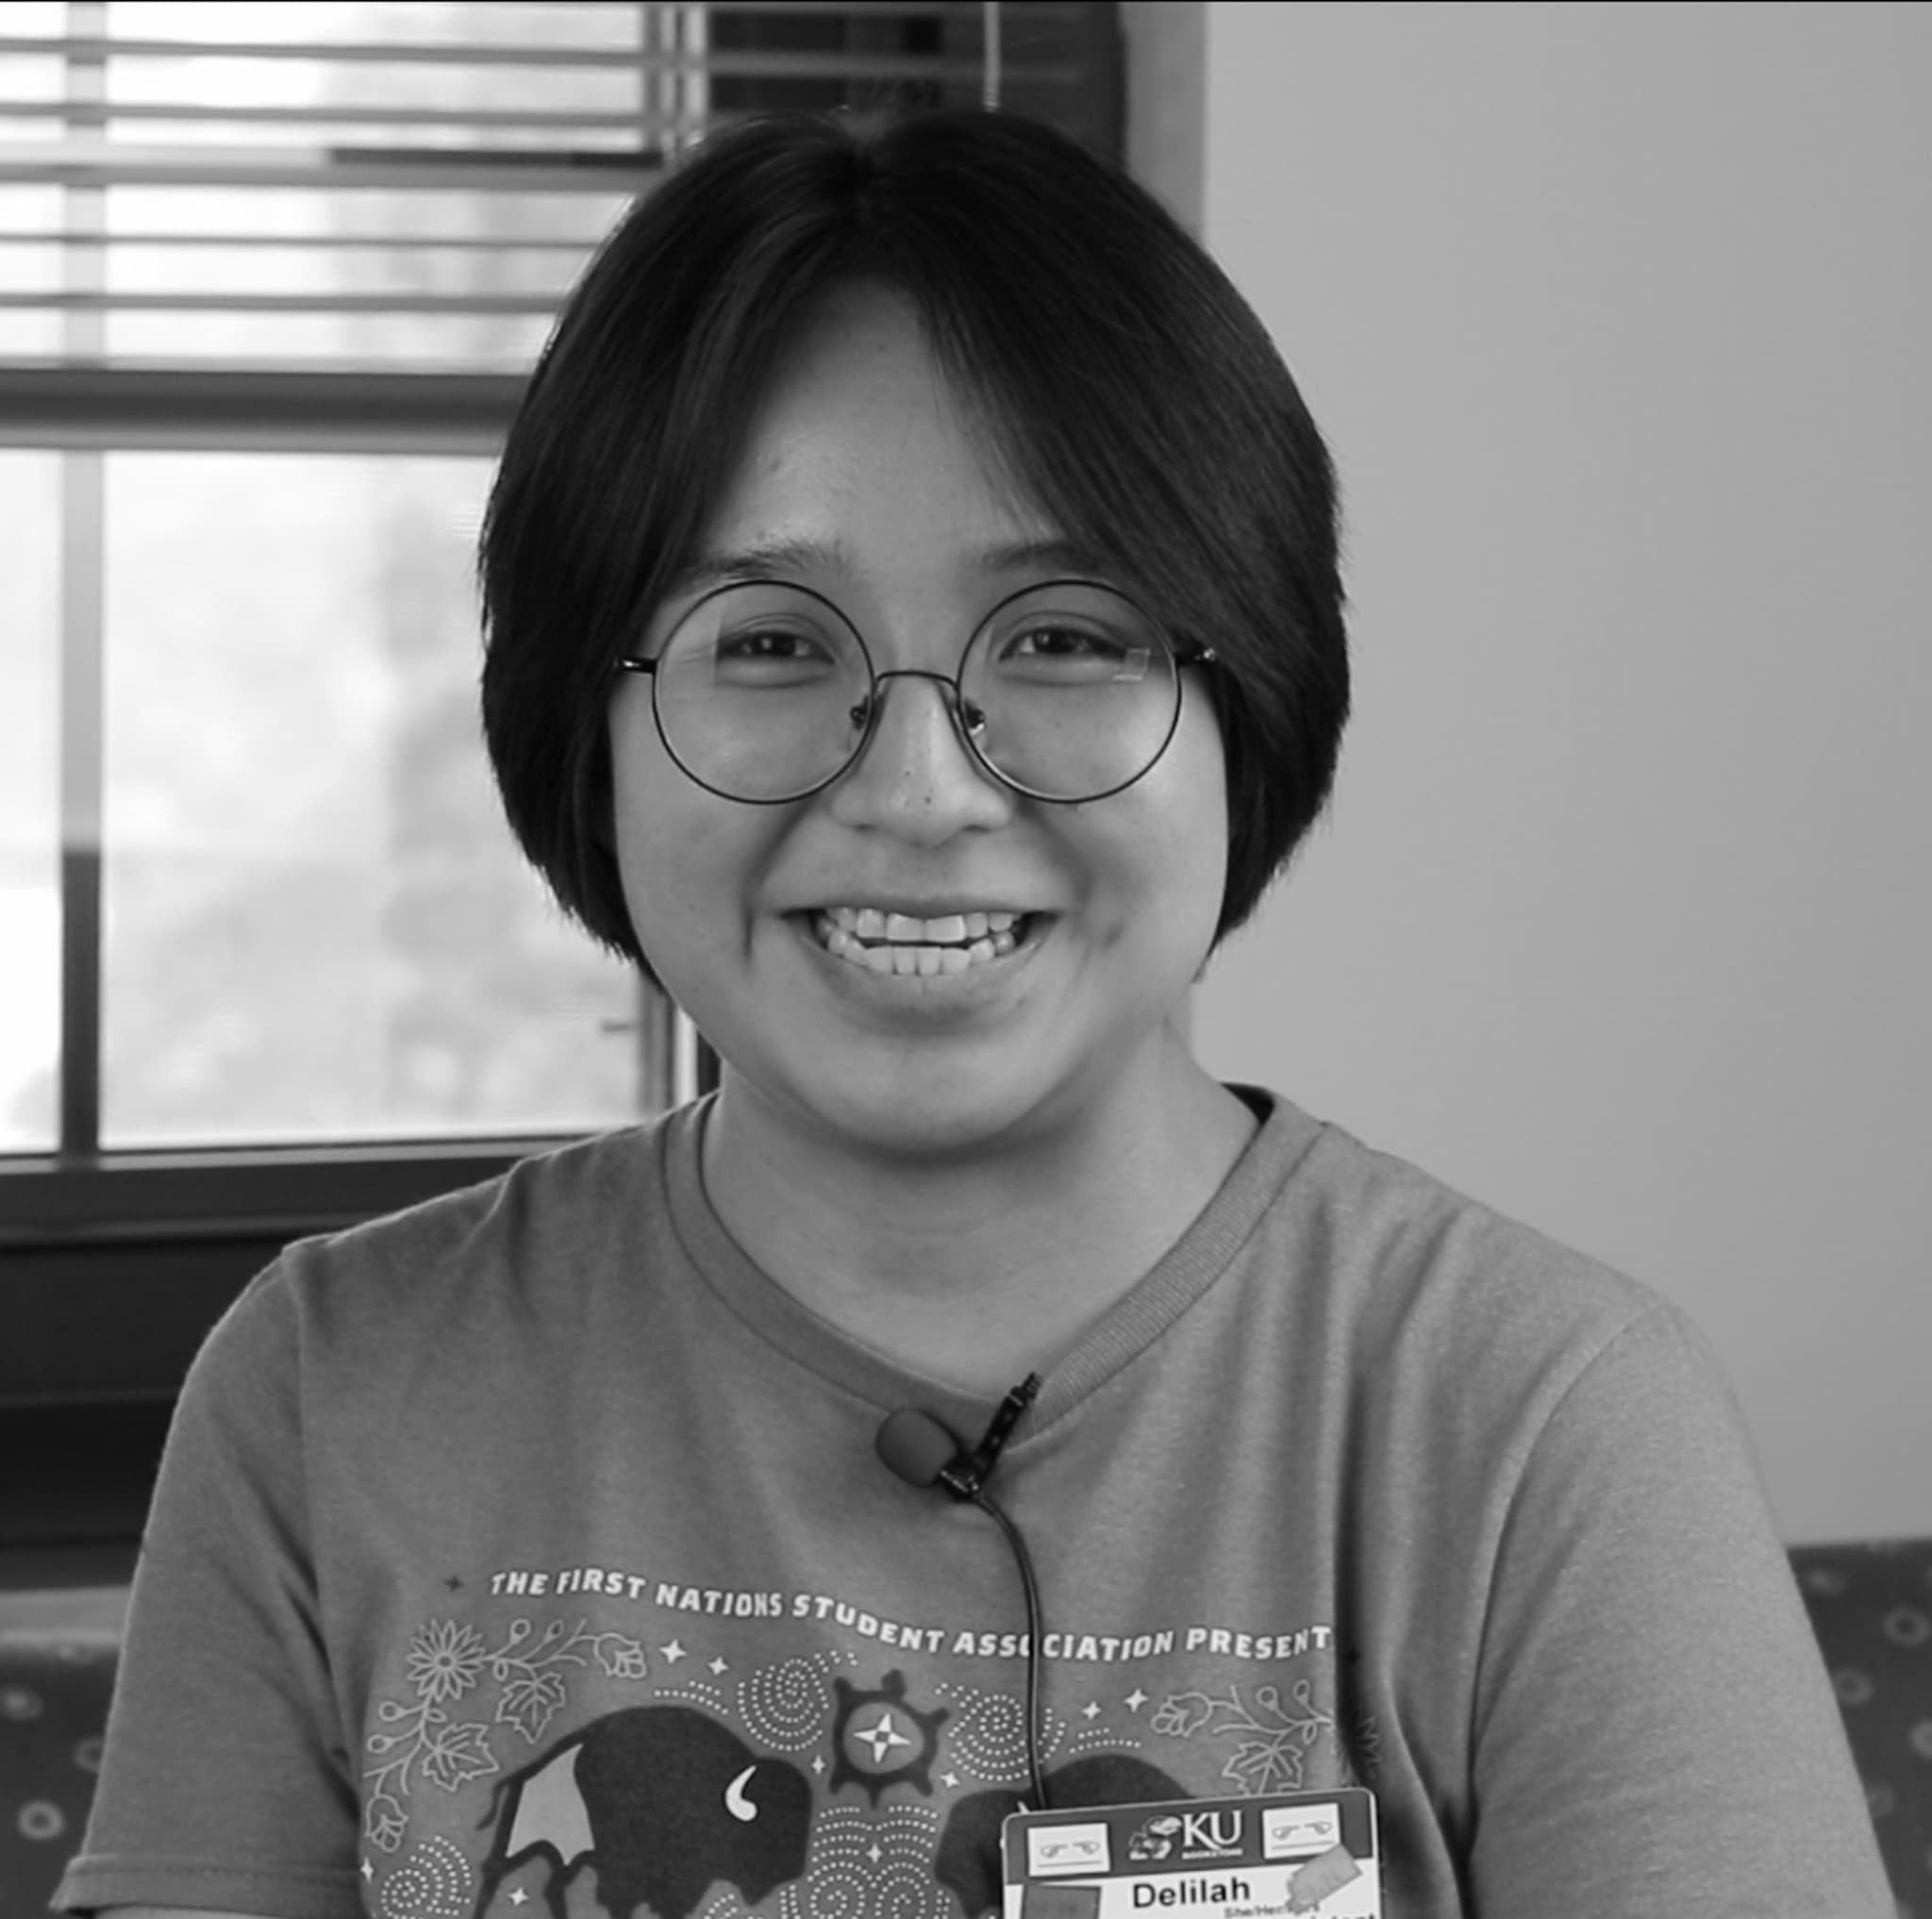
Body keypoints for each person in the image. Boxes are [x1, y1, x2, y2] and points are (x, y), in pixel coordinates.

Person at [59, 106, 1887, 1919]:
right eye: (770, 642)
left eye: (1066, 638)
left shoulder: (1548, 1424)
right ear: (582, 730)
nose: (922, 789)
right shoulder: (329, 1393)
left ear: (1248, 704)